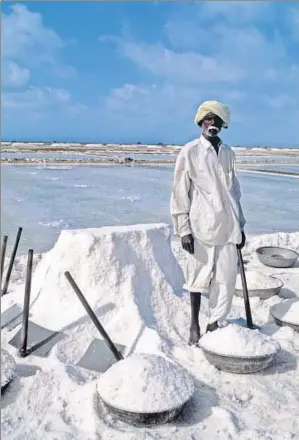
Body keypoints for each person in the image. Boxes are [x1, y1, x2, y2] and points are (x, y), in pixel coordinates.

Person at [170, 100, 246, 345]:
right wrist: (184, 230)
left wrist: (240, 226)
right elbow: (180, 192)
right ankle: (194, 324)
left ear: (223, 125)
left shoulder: (228, 153)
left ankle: (214, 323)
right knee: (198, 276)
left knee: (226, 279)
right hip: (201, 225)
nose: (211, 124)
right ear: (201, 122)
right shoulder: (190, 152)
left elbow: (234, 193)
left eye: (216, 120)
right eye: (207, 119)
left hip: (228, 226)